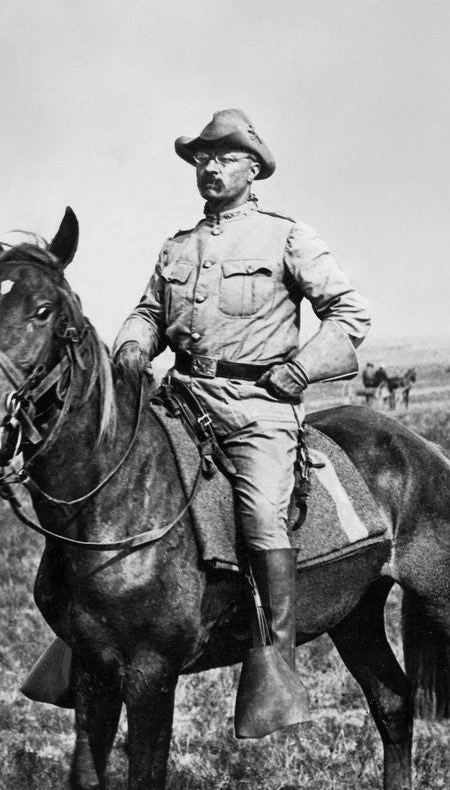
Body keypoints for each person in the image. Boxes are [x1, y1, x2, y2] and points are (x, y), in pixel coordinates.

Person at [113, 109, 370, 737]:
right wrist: (132, 344)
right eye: (202, 157)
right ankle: (87, 636)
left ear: (253, 169)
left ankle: (275, 657)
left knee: (259, 513)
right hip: (182, 396)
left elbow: (349, 314)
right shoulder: (178, 246)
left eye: (224, 156)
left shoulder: (286, 237)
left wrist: (304, 370)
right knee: (115, 485)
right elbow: (150, 311)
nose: (210, 166)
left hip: (257, 405)